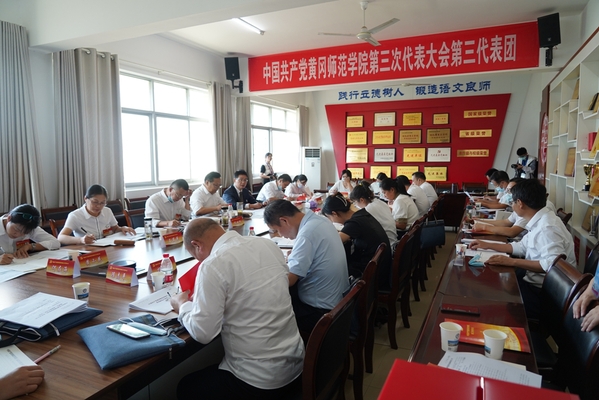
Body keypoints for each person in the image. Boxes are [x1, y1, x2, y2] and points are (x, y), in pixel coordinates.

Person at [170, 219, 304, 400]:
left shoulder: (213, 264)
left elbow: (203, 333)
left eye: (196, 256)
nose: (199, 261)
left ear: (197, 245)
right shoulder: (267, 245)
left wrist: (182, 305)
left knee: (186, 386)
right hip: (296, 366)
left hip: (259, 381)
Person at [470, 179, 576, 320]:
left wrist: (512, 262)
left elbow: (551, 265)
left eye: (513, 202)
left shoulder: (547, 227)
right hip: (535, 283)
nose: (512, 205)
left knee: (494, 297)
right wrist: (487, 245)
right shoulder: (540, 219)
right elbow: (520, 247)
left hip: (545, 295)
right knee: (495, 283)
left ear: (520, 203)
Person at [264, 200, 348, 333]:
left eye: (277, 230)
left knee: (270, 312)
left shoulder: (307, 234)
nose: (280, 235)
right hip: (337, 300)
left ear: (284, 221)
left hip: (319, 311)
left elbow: (290, 280)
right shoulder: (320, 220)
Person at [322, 194, 392, 289]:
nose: (331, 221)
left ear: (334, 213)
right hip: (382, 268)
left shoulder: (354, 223)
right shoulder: (362, 214)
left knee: (333, 268)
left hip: (373, 275)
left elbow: (333, 242)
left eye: (329, 217)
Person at [58, 185, 135, 245]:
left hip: (108, 247)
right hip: (88, 250)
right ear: (85, 199)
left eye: (102, 203)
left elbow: (115, 229)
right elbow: (61, 237)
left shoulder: (107, 211)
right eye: (95, 202)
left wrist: (122, 228)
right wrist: (81, 240)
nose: (98, 206)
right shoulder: (75, 216)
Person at [350, 181, 397, 248]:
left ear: (362, 200)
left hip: (385, 247)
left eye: (355, 202)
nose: (355, 205)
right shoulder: (379, 202)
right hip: (392, 241)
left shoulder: (368, 209)